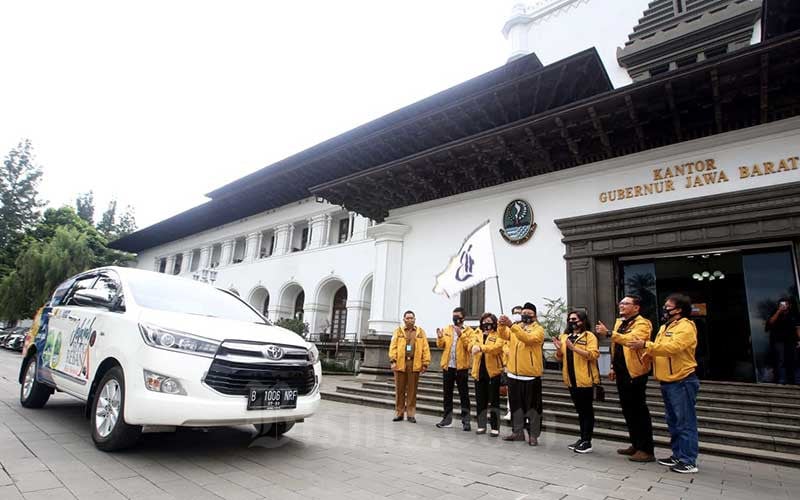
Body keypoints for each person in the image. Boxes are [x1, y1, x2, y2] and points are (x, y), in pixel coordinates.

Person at [627, 293, 699, 474]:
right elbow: (658, 346)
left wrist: (646, 345)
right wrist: (647, 353)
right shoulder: (665, 327)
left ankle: (688, 460)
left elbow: (673, 348)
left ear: (679, 309)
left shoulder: (686, 327)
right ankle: (677, 454)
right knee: (673, 421)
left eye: (668, 306)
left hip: (682, 380)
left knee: (685, 422)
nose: (665, 309)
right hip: (667, 380)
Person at [596, 295, 655, 463]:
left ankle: (646, 449)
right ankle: (636, 444)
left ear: (636, 308)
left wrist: (608, 333)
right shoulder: (620, 323)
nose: (621, 305)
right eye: (621, 303)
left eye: (626, 303)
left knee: (639, 411)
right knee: (628, 410)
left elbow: (632, 341)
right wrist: (613, 366)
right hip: (622, 371)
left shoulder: (643, 323)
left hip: (635, 372)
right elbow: (616, 347)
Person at [497, 302, 545, 446]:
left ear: (535, 316)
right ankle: (517, 432)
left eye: (529, 313)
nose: (526, 316)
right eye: (524, 313)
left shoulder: (539, 330)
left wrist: (512, 326)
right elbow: (503, 335)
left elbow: (528, 339)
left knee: (533, 408)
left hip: (530, 376)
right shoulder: (516, 328)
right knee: (516, 406)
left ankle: (533, 435)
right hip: (513, 374)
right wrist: (501, 324)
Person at [553, 310, 599, 454]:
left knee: (587, 411)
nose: (572, 322)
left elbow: (593, 355)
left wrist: (574, 348)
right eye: (570, 319)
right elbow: (560, 358)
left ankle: (587, 441)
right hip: (571, 379)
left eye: (575, 319)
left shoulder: (589, 336)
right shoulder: (565, 336)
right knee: (580, 411)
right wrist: (559, 349)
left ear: (582, 320)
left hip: (585, 379)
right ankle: (582, 438)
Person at [435, 307, 474, 431]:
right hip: (448, 366)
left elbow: (469, 347)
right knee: (447, 394)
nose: (455, 318)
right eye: (454, 316)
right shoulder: (448, 329)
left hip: (461, 367)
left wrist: (461, 335)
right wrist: (440, 337)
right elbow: (441, 345)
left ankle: (466, 421)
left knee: (464, 395)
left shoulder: (469, 331)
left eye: (457, 316)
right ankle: (447, 419)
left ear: (463, 318)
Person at [388, 310, 430, 423]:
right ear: (404, 319)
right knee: (399, 390)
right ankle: (399, 412)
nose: (410, 320)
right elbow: (393, 346)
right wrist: (393, 361)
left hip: (414, 363)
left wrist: (425, 363)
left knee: (412, 390)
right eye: (408, 318)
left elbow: (425, 348)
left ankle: (411, 414)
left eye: (412, 318)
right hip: (400, 363)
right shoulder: (398, 331)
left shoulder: (420, 332)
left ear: (415, 319)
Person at [469, 313, 506, 436]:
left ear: (494, 322)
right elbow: (471, 345)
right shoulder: (477, 332)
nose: (486, 324)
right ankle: (481, 425)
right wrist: (475, 346)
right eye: (484, 321)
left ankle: (495, 427)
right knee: (480, 400)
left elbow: (496, 348)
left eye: (489, 321)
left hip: (493, 373)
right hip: (479, 372)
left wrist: (480, 347)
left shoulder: (498, 334)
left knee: (494, 401)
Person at [766, 298, 800, 385]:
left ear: (789, 305)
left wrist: (799, 340)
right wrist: (778, 311)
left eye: (785, 304)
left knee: (794, 359)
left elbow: (798, 328)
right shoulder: (776, 312)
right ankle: (781, 380)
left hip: (791, 341)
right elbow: (770, 322)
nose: (784, 305)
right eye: (781, 304)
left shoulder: (793, 314)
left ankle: (796, 380)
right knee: (780, 360)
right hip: (778, 340)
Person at [502, 305, 523, 422]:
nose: (517, 314)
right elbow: (504, 342)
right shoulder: (508, 329)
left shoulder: (525, 328)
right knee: (510, 389)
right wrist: (507, 351)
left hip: (522, 364)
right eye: (515, 313)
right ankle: (510, 410)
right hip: (509, 363)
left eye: (519, 312)